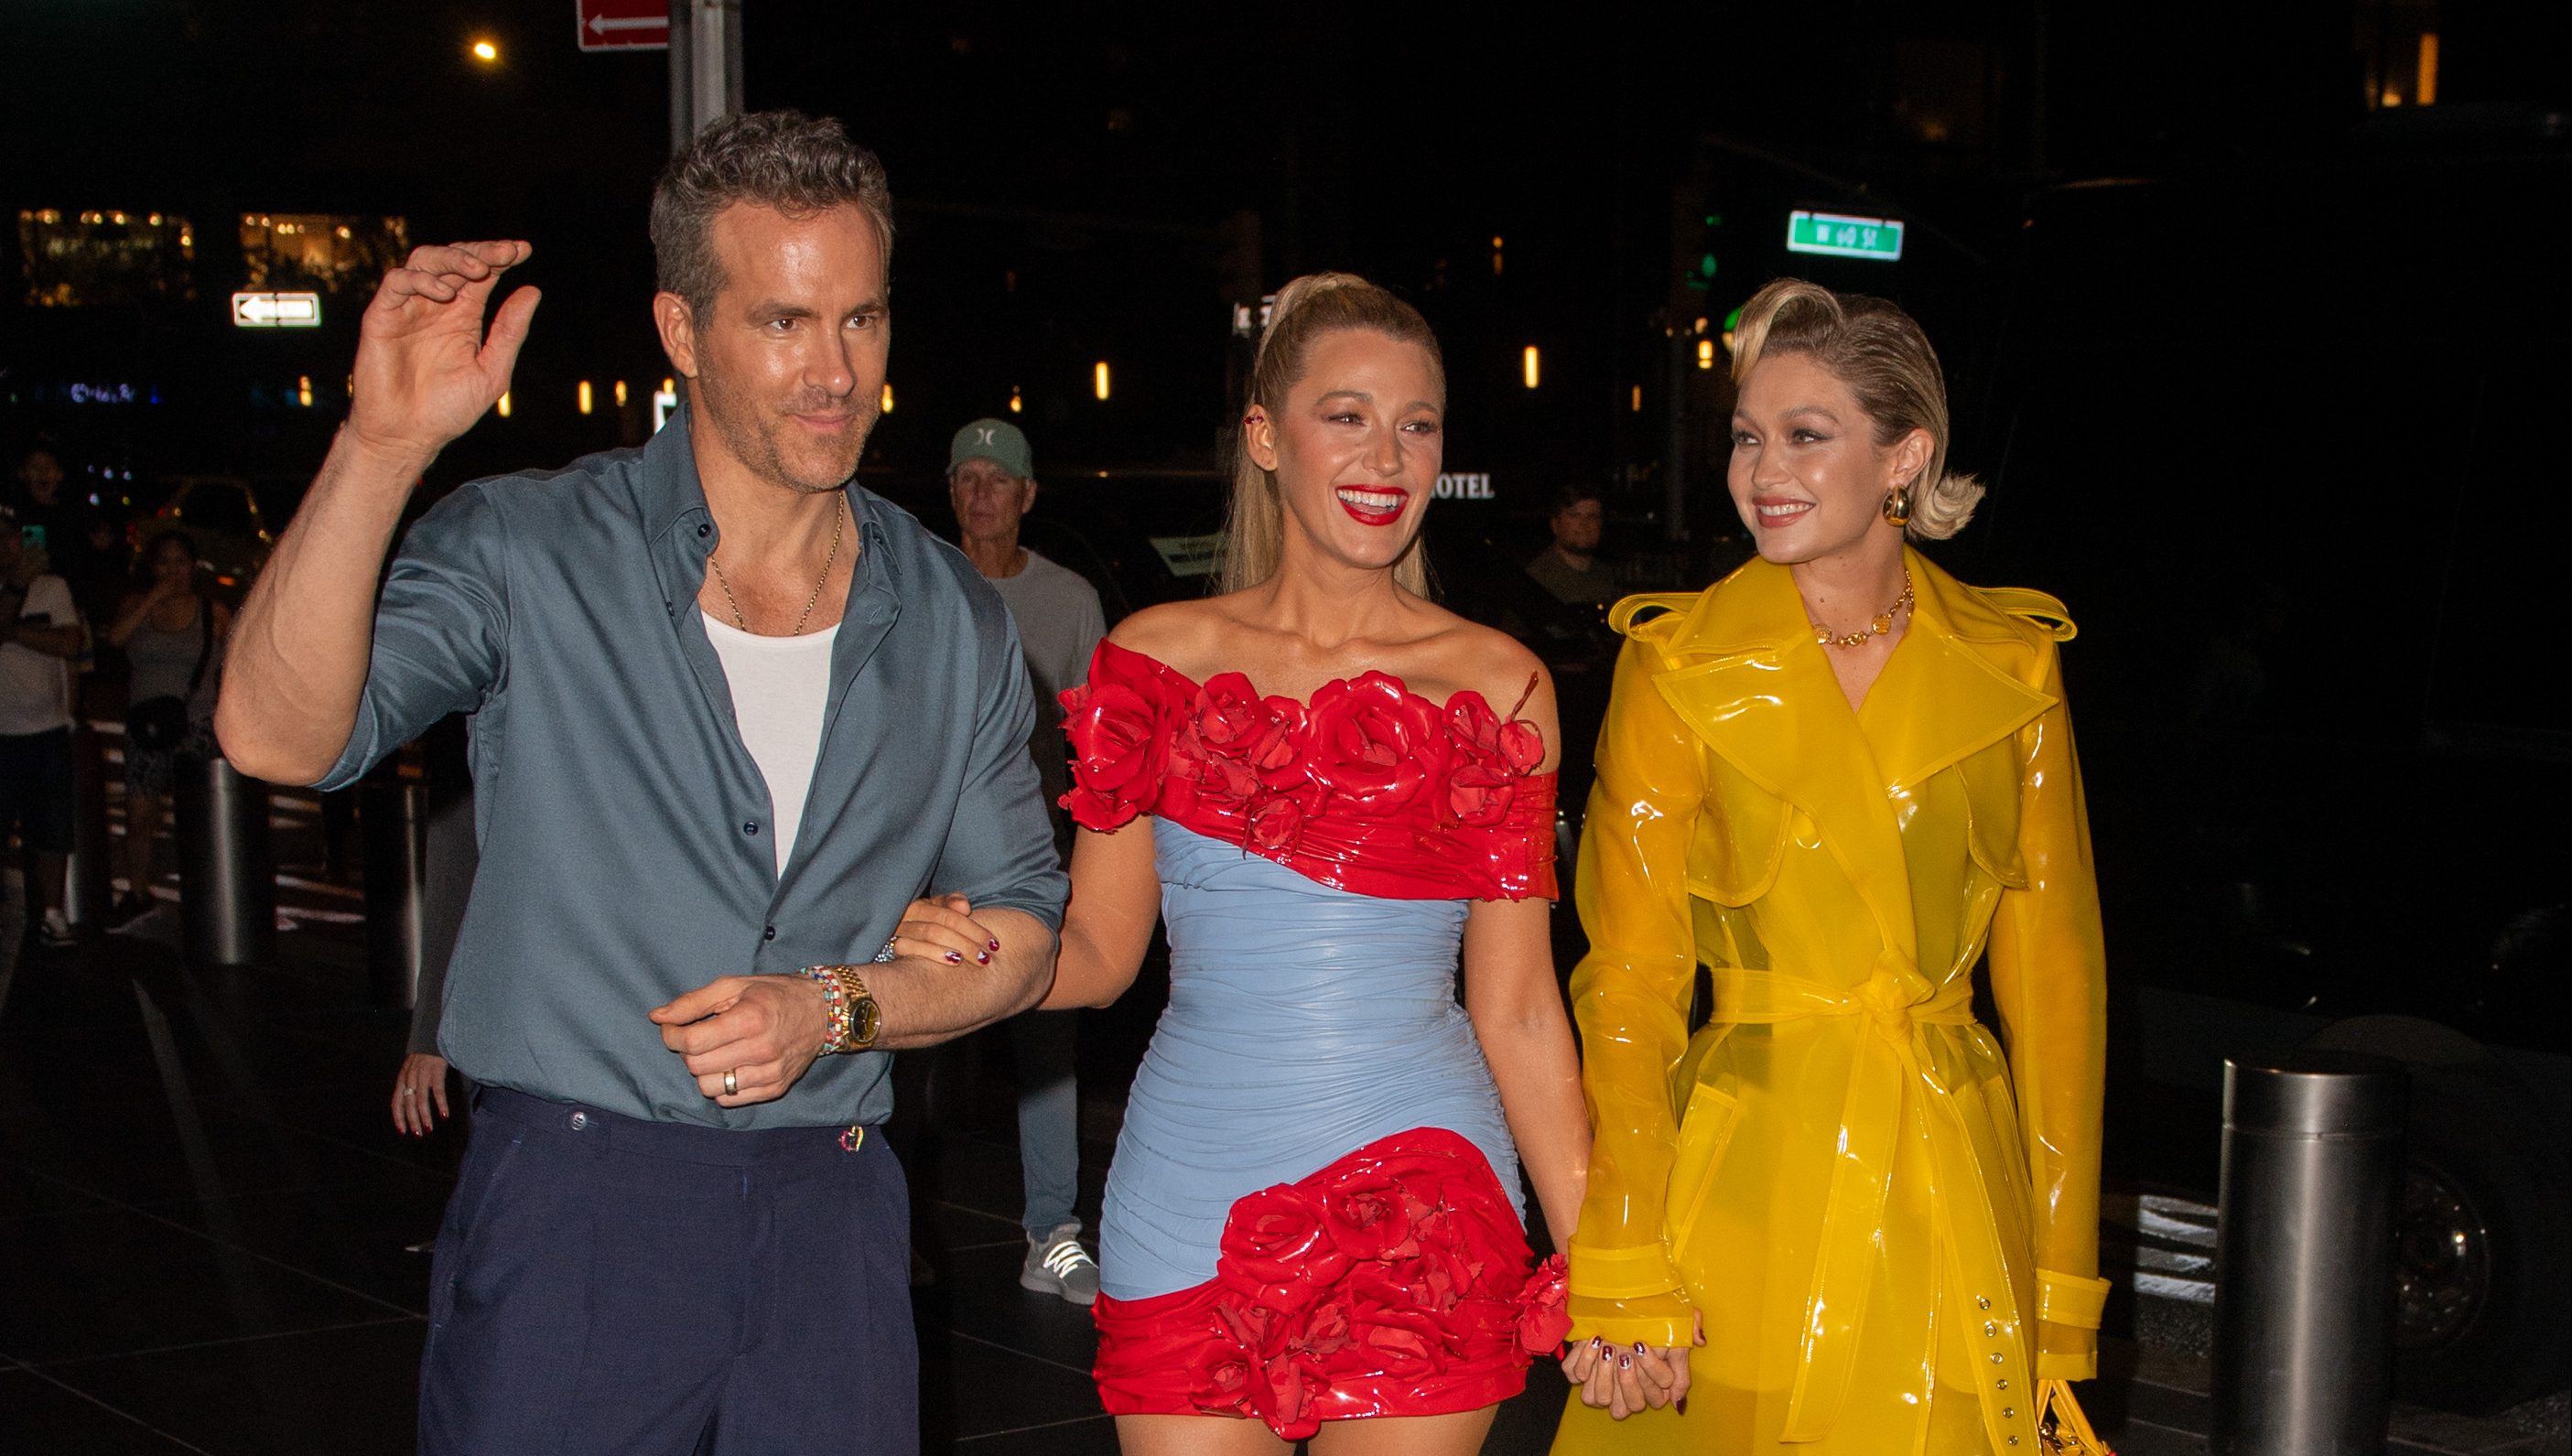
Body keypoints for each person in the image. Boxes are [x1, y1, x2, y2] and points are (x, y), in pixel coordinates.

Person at [213, 111, 1067, 1455]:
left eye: (860, 318)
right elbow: (274, 734)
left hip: (834, 1216)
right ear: (682, 329)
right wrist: (379, 449)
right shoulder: (530, 547)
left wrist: (842, 1002)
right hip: (577, 1205)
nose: (834, 370)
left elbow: (1025, 934)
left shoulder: (947, 610)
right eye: (784, 322)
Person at [1552, 277, 2111, 1453]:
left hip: (1949, 1176)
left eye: (1807, 437)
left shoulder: (2012, 667)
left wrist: (2060, 1287)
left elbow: (2056, 989)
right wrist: (1619, 1251)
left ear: (1903, 456)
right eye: (1748, 437)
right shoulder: (1676, 666)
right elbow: (1631, 981)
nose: (1764, 471)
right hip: (1745, 1174)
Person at [1033, 272, 1589, 1452]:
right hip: (1191, 1173)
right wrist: (960, 949)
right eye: (1345, 413)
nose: (1385, 453)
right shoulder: (1153, 664)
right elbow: (1093, 951)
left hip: (1426, 1192)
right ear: (1263, 438)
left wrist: (1602, 1247)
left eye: (1416, 422)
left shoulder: (1500, 685)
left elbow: (1520, 1005)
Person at [944, 415, 1108, 1305]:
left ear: (1026, 496)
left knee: (1047, 1034)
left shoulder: (1070, 600)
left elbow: (1101, 744)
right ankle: (876, 1230)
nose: (980, 492)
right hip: (923, 858)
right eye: (965, 477)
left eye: (996, 479)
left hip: (1027, 854)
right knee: (897, 1041)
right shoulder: (914, 580)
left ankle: (1051, 1232)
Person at [103, 529, 230, 927]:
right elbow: (116, 639)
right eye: (164, 561)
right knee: (139, 814)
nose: (172, 570)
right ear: (152, 567)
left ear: (192, 566)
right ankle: (137, 893)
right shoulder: (136, 605)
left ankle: (211, 897)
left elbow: (234, 666)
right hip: (147, 725)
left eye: (180, 561)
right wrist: (150, 603)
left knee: (198, 817)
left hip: (196, 724)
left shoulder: (213, 612)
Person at [1, 505, 86, 950]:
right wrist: (20, 617)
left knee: (52, 831)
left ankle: (53, 913)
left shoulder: (52, 586)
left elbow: (70, 642)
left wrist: (14, 633)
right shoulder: (17, 588)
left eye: (10, 536)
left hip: (46, 729)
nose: (4, 544)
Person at [1524, 485, 1616, 608]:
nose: (1584, 524)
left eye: (1592, 516)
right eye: (1574, 516)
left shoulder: (1606, 577)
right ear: (1555, 524)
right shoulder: (1538, 580)